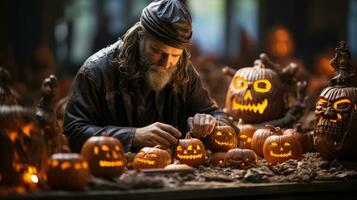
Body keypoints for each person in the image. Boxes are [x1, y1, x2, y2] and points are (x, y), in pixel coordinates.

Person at [63, 0, 236, 153]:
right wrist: (134, 136)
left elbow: (223, 119)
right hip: (110, 173)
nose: (166, 62)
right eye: (157, 51)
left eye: (175, 55)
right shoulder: (96, 71)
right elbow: (74, 132)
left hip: (171, 175)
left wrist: (211, 122)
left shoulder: (183, 70)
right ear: (139, 37)